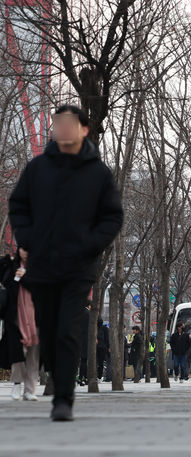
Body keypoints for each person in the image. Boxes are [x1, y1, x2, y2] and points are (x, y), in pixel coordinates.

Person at [8, 104, 124, 421]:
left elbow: (113, 216)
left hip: (78, 268)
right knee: (47, 332)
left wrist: (90, 245)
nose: (64, 129)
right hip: (43, 267)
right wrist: (27, 240)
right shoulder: (37, 169)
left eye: (70, 124)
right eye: (59, 123)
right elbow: (18, 206)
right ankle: (56, 383)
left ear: (84, 129)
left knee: (68, 331)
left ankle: (63, 399)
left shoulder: (98, 173)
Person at [0, 249, 40, 401]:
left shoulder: (38, 268)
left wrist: (25, 278)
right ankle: (17, 383)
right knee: (17, 353)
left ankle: (30, 390)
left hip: (36, 317)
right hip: (15, 318)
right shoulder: (12, 266)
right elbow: (6, 283)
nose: (26, 252)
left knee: (33, 356)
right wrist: (6, 261)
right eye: (23, 248)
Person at [96, 318, 109, 382]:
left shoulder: (95, 328)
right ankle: (99, 377)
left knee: (97, 363)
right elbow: (107, 339)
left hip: (97, 348)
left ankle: (98, 376)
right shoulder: (105, 328)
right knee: (100, 363)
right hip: (102, 348)